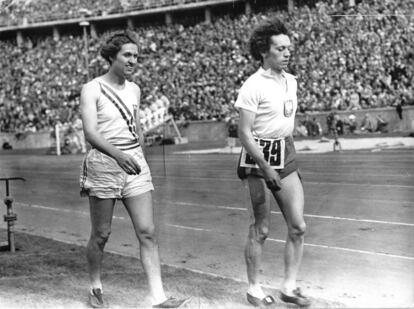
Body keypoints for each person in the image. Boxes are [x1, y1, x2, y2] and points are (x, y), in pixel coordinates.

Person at [79, 31, 188, 309]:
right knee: (101, 234)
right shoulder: (92, 88)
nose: (133, 60)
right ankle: (95, 286)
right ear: (111, 56)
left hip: (134, 163)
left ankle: (157, 295)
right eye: (127, 55)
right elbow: (91, 133)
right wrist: (118, 155)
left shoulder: (135, 89)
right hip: (105, 162)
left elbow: (136, 127)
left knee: (148, 231)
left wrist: (138, 154)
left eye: (136, 56)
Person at [235, 18, 311, 307]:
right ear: (264, 52)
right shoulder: (251, 86)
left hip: (286, 153)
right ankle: (254, 288)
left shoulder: (291, 80)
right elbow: (244, 133)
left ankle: (289, 287)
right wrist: (266, 167)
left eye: (289, 48)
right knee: (261, 228)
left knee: (298, 226)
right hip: (258, 159)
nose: (288, 53)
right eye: (281, 49)